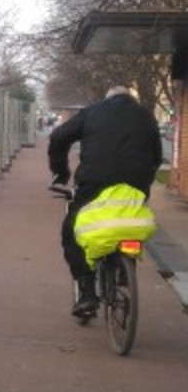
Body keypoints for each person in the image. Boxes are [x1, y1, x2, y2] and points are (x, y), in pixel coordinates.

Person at [48, 86, 163, 317]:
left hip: (95, 182)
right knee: (130, 220)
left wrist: (61, 172)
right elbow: (156, 156)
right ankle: (125, 267)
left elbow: (59, 137)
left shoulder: (92, 112)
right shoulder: (146, 116)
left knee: (72, 231)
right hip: (135, 185)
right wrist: (143, 181)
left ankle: (87, 291)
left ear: (107, 99)